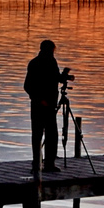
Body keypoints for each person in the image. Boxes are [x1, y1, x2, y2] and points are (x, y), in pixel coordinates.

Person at [24, 39, 67, 172]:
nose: (53, 53)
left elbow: (53, 78)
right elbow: (28, 86)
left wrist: (63, 77)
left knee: (51, 135)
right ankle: (37, 164)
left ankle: (49, 164)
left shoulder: (52, 62)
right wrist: (39, 99)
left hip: (50, 105)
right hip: (39, 105)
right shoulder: (35, 63)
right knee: (37, 134)